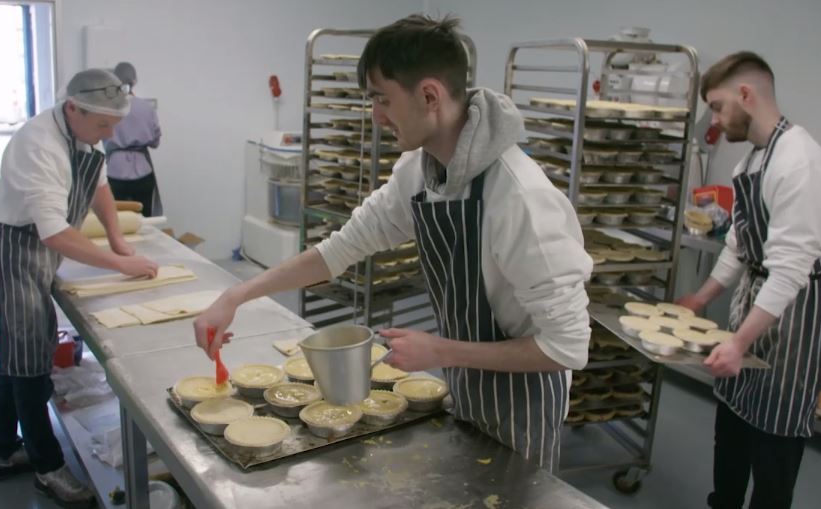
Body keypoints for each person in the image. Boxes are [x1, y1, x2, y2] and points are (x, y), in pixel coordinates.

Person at [192, 14, 592, 471]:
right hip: (467, 383)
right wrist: (236, 294)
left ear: (429, 96)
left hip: (524, 404)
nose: (376, 117)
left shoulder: (520, 198)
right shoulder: (419, 172)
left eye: (382, 99)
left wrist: (441, 351)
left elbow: (566, 348)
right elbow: (339, 251)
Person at [0, 68, 159, 508]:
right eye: (103, 125)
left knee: (13, 355)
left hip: (36, 249)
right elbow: (54, 232)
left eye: (114, 124)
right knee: (28, 366)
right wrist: (119, 264)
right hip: (11, 255)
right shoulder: (39, 146)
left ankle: (2, 452)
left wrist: (116, 237)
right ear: (72, 108)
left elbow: (98, 185)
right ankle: (47, 467)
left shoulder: (82, 131)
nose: (109, 133)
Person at [676, 51, 821, 509]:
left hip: (794, 316)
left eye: (718, 107)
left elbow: (792, 268)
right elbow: (740, 246)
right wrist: (700, 300)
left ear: (746, 94)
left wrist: (739, 343)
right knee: (734, 425)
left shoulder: (797, 159)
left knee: (774, 440)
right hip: (754, 303)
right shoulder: (752, 163)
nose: (715, 121)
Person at [104, 61, 163, 216]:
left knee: (115, 219)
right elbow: (156, 142)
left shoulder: (108, 108)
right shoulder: (146, 107)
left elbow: (100, 139)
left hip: (114, 171)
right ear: (134, 81)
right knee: (144, 222)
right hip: (143, 171)